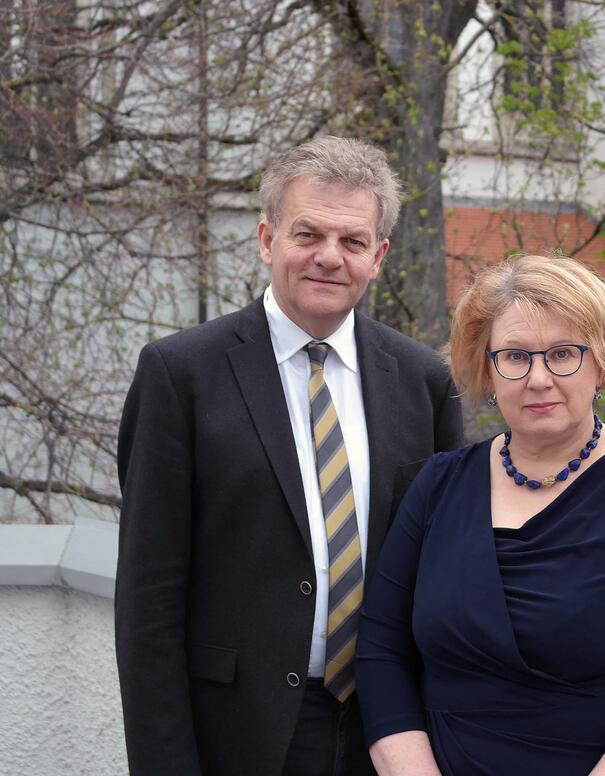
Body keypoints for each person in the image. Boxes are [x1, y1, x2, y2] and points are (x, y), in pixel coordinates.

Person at [115, 136, 465, 776]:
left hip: (392, 733)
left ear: (379, 256)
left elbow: (447, 576)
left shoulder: (423, 382)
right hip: (238, 735)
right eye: (308, 234)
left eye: (352, 241)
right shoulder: (181, 375)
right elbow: (148, 598)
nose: (329, 257)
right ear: (266, 239)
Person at [355, 254, 605, 776]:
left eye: (563, 354)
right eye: (516, 357)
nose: (539, 378)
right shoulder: (437, 485)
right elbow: (381, 652)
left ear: (601, 362)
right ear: (487, 369)